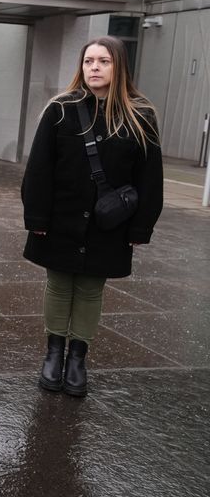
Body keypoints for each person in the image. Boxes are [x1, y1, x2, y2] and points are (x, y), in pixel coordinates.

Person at [22, 36, 162, 396]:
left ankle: (77, 358)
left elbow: (150, 177)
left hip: (109, 224)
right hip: (60, 218)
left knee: (89, 289)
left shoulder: (139, 115)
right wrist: (37, 217)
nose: (94, 68)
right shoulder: (61, 109)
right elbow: (39, 168)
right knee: (59, 283)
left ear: (119, 67)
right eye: (88, 61)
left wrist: (141, 226)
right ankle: (53, 353)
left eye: (103, 61)